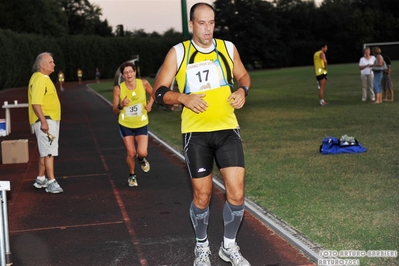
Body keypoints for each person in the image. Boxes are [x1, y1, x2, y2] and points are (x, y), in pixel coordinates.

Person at [152, 3, 251, 266]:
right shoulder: (179, 52)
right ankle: (202, 245)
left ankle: (228, 246)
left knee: (237, 194)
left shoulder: (227, 48)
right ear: (192, 24)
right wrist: (183, 97)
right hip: (196, 134)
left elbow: (242, 75)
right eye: (202, 23)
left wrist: (243, 91)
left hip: (228, 129)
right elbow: (159, 91)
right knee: (202, 196)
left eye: (211, 23)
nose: (207, 29)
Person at [112, 62, 154, 187]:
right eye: (125, 73)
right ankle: (132, 175)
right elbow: (115, 110)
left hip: (141, 123)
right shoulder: (118, 89)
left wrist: (150, 104)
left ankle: (141, 159)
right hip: (126, 124)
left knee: (142, 152)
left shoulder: (144, 83)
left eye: (130, 71)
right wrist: (121, 105)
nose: (128, 74)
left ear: (135, 72)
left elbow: (154, 94)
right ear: (123, 75)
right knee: (131, 152)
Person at [28, 52, 63, 193]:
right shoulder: (40, 79)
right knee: (49, 152)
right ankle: (51, 182)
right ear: (41, 65)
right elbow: (36, 103)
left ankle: (41, 179)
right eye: (50, 62)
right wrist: (43, 121)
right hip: (46, 118)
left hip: (49, 118)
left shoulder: (42, 78)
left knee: (45, 151)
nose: (53, 64)